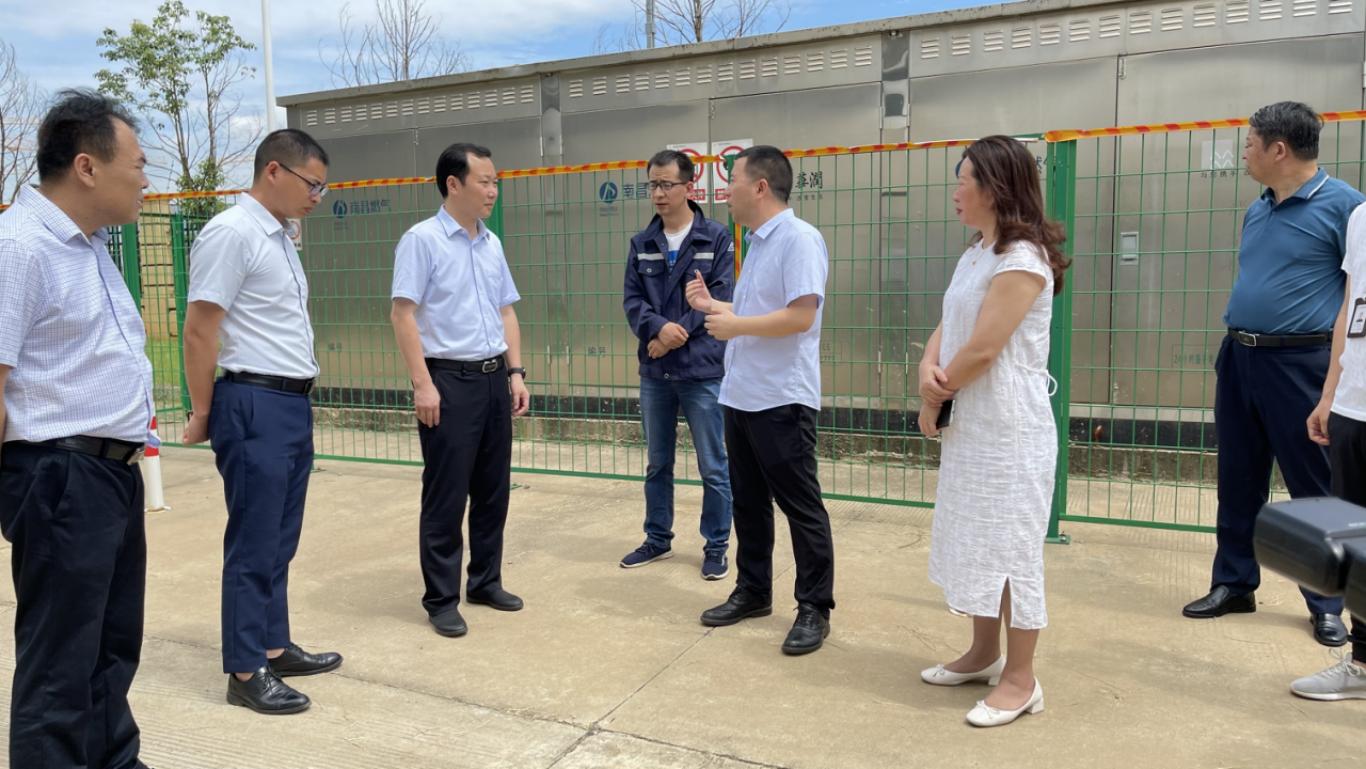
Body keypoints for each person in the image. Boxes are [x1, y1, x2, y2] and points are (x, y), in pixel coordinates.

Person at [0, 88, 154, 769]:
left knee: (111, 646)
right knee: (60, 663)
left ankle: (114, 759)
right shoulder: (18, 247)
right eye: (138, 165)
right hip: (59, 476)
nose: (146, 180)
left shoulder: (89, 247)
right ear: (87, 166)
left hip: (110, 474)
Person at [1182, 102, 1364, 647]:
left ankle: (1328, 603)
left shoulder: (1346, 207)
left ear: (1278, 149)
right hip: (1240, 357)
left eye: (1249, 142)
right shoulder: (1257, 208)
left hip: (1301, 364)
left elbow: (1354, 295)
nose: (1244, 152)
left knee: (1314, 488)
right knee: (1238, 476)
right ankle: (1234, 582)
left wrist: (1333, 385)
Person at [181, 129, 343, 715]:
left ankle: (273, 646)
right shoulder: (232, 233)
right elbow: (200, 328)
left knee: (280, 537)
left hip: (290, 403)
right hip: (253, 401)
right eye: (312, 185)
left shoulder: (280, 237)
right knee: (253, 541)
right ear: (274, 171)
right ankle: (245, 668)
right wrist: (203, 411)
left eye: (322, 189)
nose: (316, 197)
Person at [916, 135, 1069, 728]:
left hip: (1009, 428)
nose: (956, 191)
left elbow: (984, 348)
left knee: (1011, 549)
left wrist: (938, 392)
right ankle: (983, 653)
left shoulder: (1022, 259)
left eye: (964, 180)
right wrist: (927, 369)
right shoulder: (978, 251)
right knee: (977, 538)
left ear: (996, 188)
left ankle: (1021, 679)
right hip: (974, 422)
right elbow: (950, 323)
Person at [686, 145, 834, 655]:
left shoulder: (799, 239)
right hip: (743, 394)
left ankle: (814, 607)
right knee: (748, 502)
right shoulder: (758, 241)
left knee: (800, 505)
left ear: (761, 187)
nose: (725, 193)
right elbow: (758, 310)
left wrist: (735, 325)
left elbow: (801, 316)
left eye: (733, 182)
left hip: (781, 397)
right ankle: (753, 591)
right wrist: (715, 306)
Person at [390, 142, 531, 639]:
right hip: (448, 381)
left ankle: (485, 581)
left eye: (496, 182)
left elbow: (505, 310)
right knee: (447, 495)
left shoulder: (491, 243)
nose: (493, 191)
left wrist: (516, 373)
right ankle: (441, 599)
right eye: (484, 182)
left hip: (493, 378)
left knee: (493, 490)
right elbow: (402, 314)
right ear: (454, 184)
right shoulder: (422, 241)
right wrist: (423, 385)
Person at [621, 149, 735, 579]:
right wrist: (657, 330)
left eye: (666, 184)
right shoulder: (642, 244)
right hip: (656, 373)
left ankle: (716, 545)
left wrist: (674, 335)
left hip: (702, 369)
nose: (658, 192)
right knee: (657, 462)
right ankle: (657, 539)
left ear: (689, 187)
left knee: (714, 464)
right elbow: (632, 301)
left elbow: (720, 296)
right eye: (652, 184)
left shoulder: (715, 239)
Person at [1296, 200, 1366, 701]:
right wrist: (1330, 395)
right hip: (1354, 405)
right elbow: (1350, 307)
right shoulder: (1361, 218)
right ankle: (1362, 663)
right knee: (1358, 544)